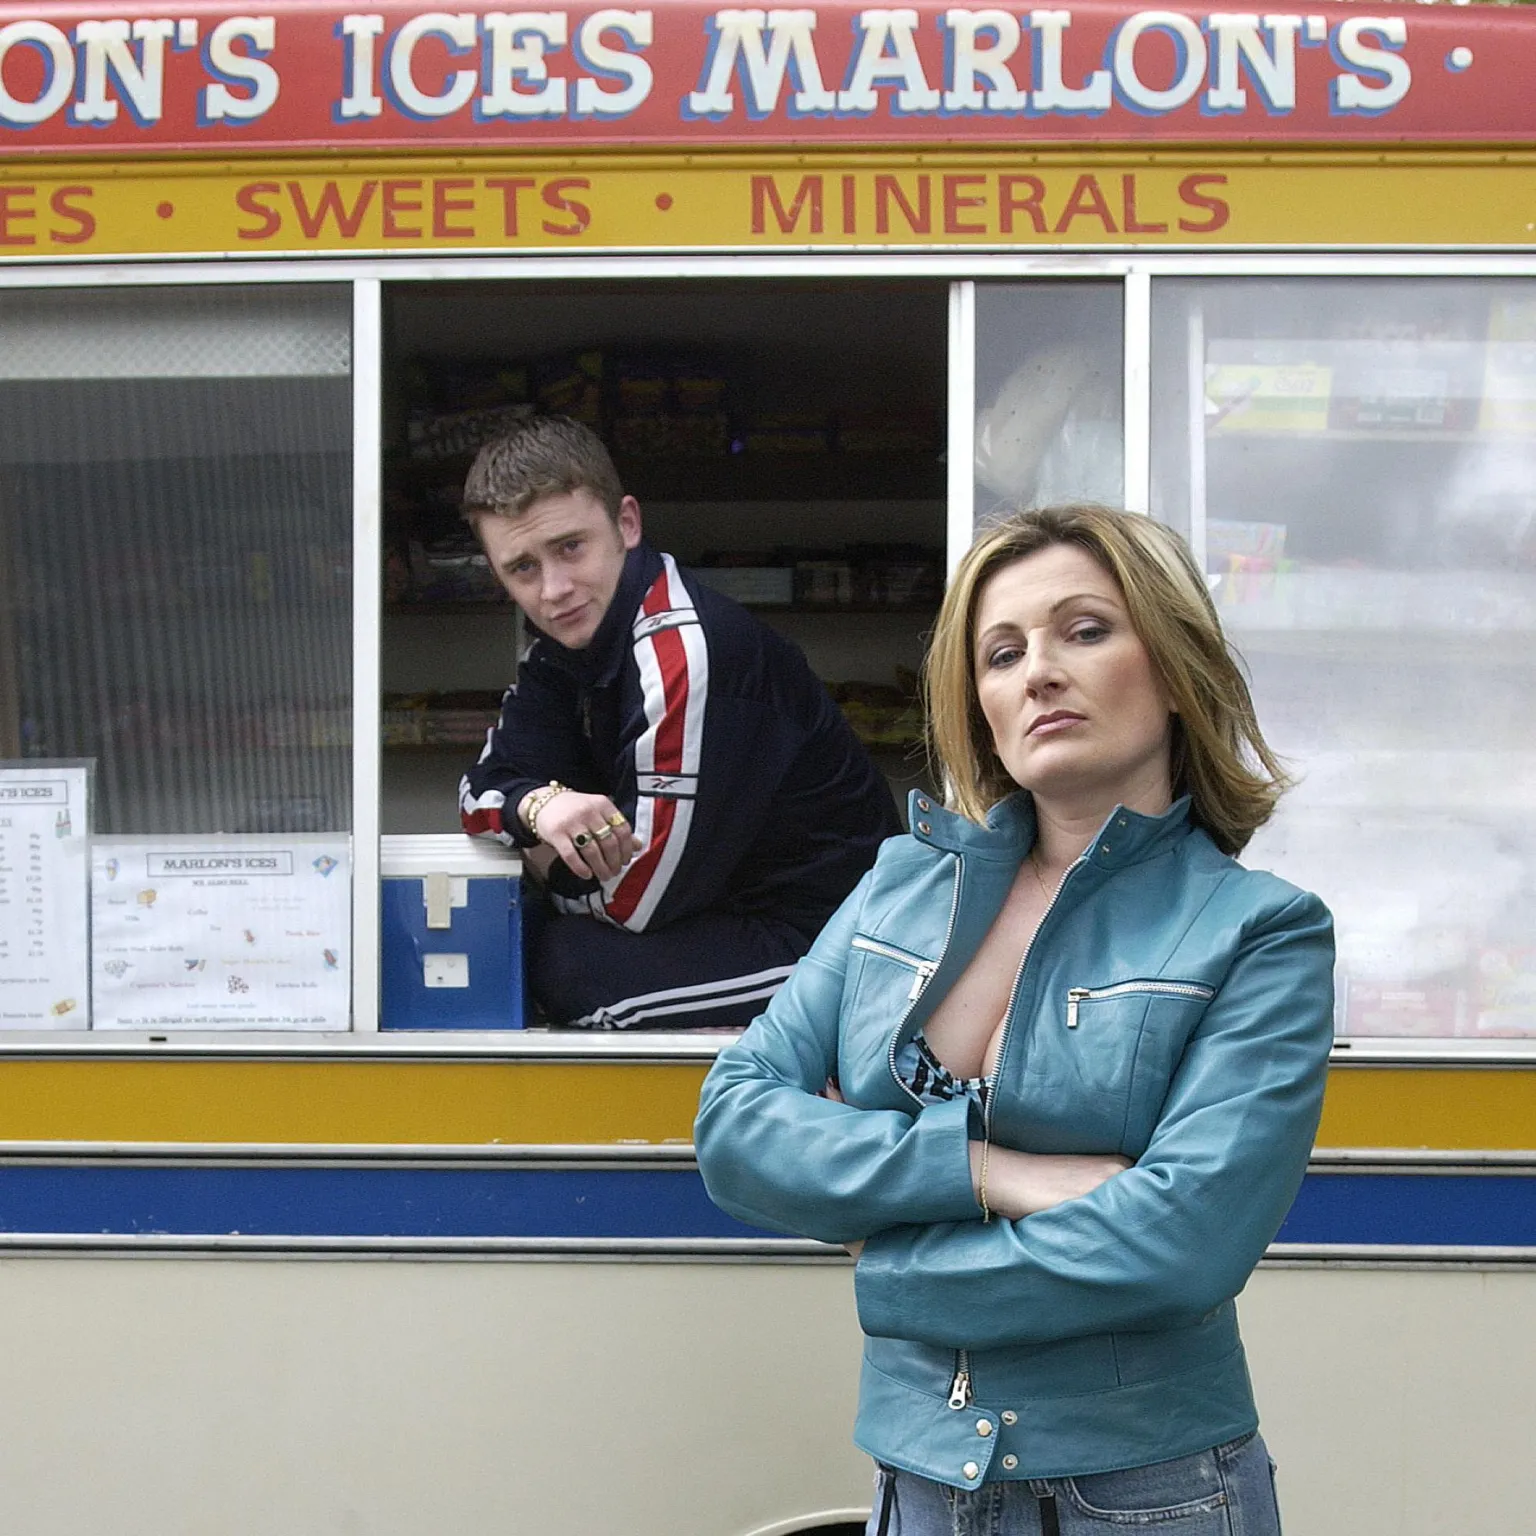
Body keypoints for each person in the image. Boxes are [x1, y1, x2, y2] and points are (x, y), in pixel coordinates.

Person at [695, 504, 1335, 1532]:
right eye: (1002, 652)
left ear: (1172, 667)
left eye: (1085, 630)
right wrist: (996, 1175)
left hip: (1151, 1492)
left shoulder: (1261, 932)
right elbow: (733, 1129)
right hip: (918, 1486)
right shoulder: (898, 890)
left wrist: (885, 1255)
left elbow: (1183, 1243)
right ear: (979, 701)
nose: (1037, 671)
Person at [458, 415, 901, 1029]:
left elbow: (634, 903)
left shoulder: (683, 649)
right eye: (523, 568)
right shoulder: (558, 650)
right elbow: (480, 789)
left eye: (570, 548)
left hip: (833, 937)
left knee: (570, 971)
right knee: (520, 945)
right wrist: (541, 807)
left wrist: (546, 871)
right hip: (721, 912)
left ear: (627, 524)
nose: (554, 589)